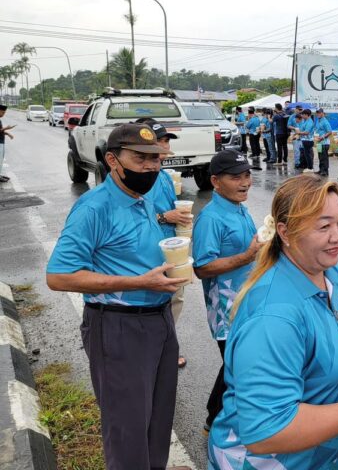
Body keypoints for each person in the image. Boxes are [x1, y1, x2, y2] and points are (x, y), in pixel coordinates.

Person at [207, 175, 338, 470]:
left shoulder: (333, 275)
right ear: (285, 232)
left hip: (329, 456)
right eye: (323, 226)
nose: (337, 236)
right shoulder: (272, 318)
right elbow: (266, 431)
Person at [46, 124, 190, 470]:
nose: (151, 166)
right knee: (128, 428)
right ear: (113, 160)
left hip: (160, 318)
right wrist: (138, 281)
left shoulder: (149, 195)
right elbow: (59, 275)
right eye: (140, 158)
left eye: (156, 158)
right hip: (118, 326)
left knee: (158, 419)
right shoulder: (93, 208)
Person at [192, 149, 263, 435]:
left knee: (242, 363)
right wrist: (246, 257)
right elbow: (202, 267)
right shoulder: (211, 218)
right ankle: (214, 420)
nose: (245, 182)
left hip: (247, 302)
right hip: (226, 308)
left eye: (247, 175)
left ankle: (230, 415)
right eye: (235, 177)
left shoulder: (239, 208)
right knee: (237, 364)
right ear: (215, 181)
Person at [136, 118, 193, 369]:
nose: (164, 146)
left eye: (166, 141)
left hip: (172, 247)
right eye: (159, 141)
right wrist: (163, 217)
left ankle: (167, 347)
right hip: (148, 249)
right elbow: (134, 215)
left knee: (176, 298)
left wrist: (183, 225)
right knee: (152, 302)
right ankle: (152, 351)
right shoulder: (136, 179)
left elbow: (172, 210)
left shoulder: (166, 177)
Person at [314, 108, 332, 176]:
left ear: (322, 113)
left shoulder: (325, 121)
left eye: (319, 113)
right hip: (319, 143)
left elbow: (329, 132)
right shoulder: (318, 121)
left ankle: (325, 171)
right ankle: (321, 169)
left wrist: (322, 137)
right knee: (320, 157)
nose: (318, 114)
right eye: (317, 113)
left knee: (324, 157)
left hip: (324, 142)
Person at [0, 104, 15, 183]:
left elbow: (1, 131)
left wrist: (8, 134)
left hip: (1, 142)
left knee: (1, 160)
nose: (3, 114)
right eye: (2, 112)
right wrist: (6, 128)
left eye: (4, 113)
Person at [288, 105, 305, 170]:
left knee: (302, 150)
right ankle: (297, 163)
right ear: (296, 109)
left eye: (301, 109)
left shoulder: (304, 117)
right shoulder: (292, 117)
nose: (300, 111)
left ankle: (302, 163)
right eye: (299, 109)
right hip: (295, 135)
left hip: (303, 135)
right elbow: (288, 125)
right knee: (296, 150)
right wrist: (294, 128)